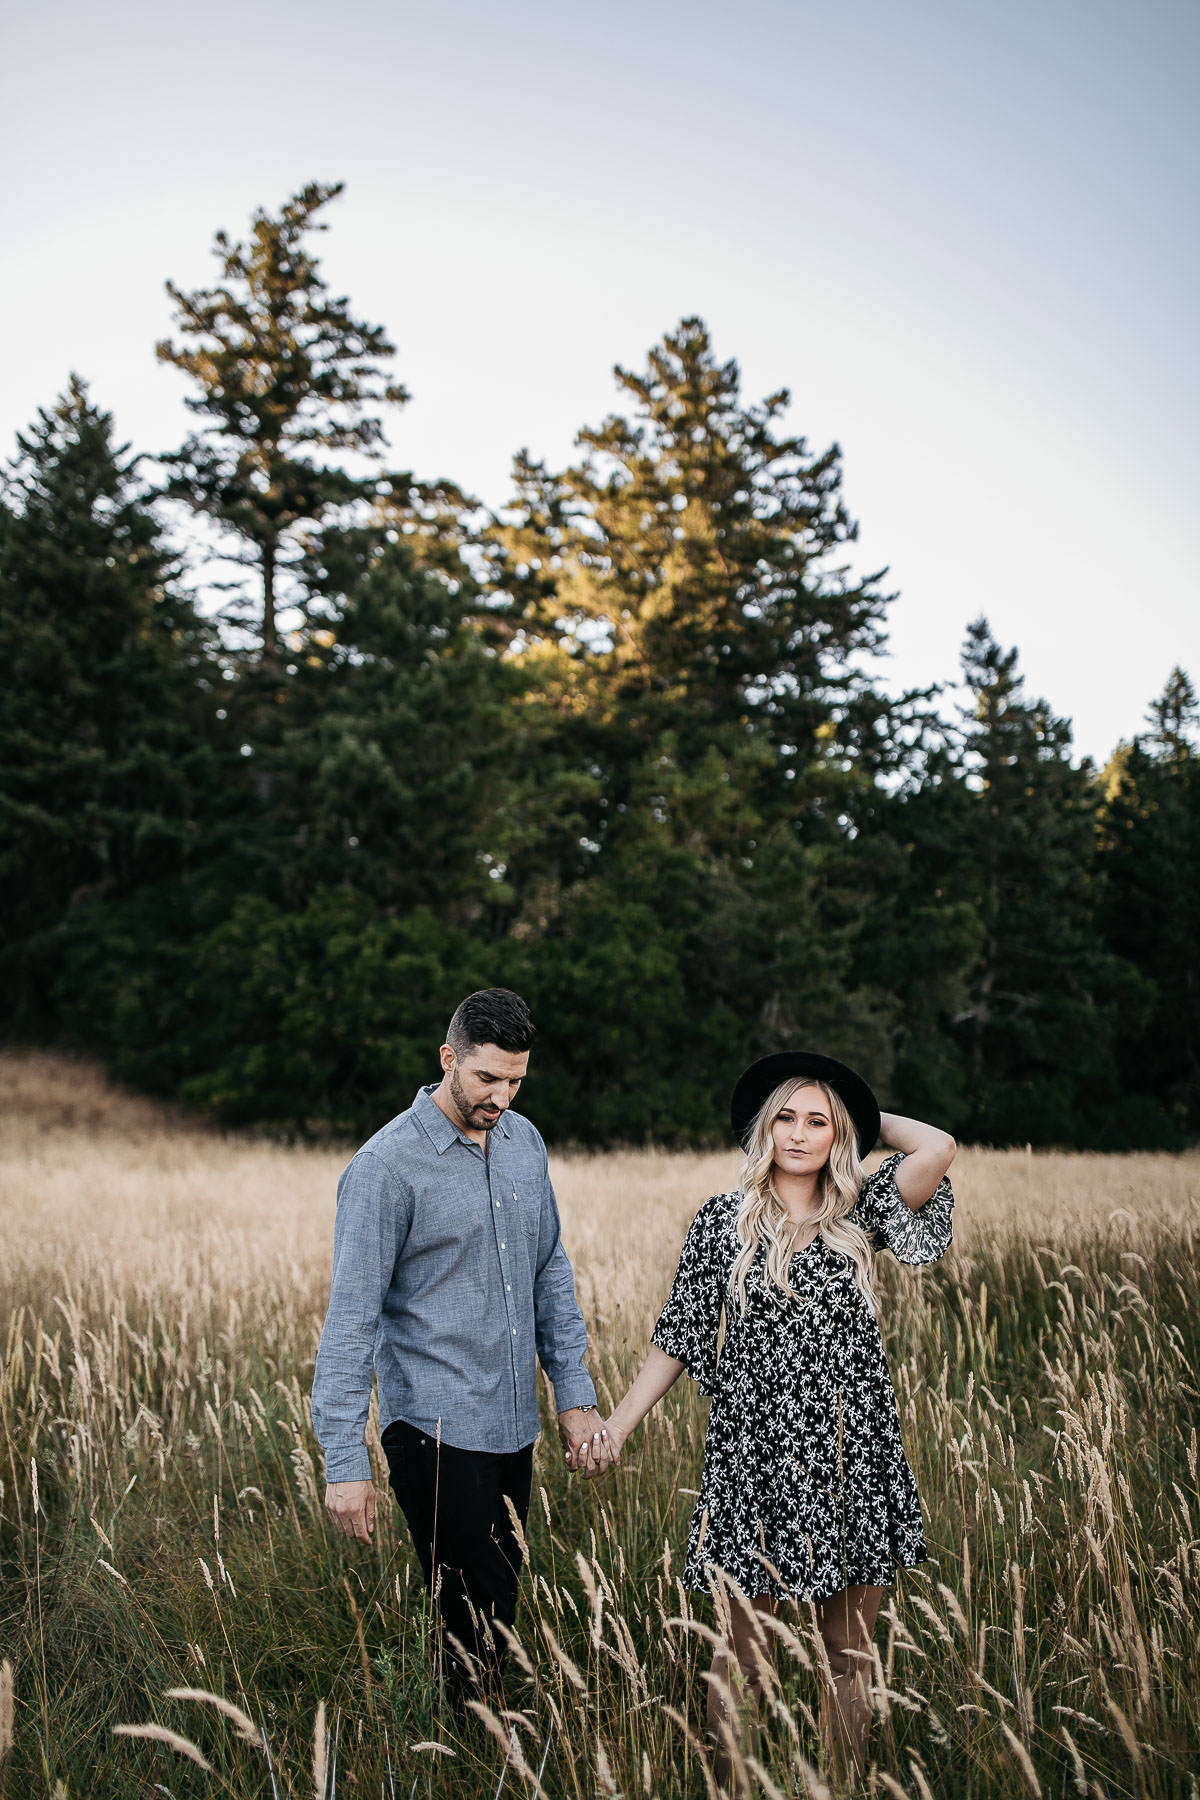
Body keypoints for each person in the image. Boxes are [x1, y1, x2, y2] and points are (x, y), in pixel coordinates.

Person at [575, 1051, 957, 1784]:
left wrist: (861, 1117)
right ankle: (730, 1784)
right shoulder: (723, 1221)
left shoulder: (863, 1211)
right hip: (755, 1455)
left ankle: (842, 1786)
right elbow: (680, 1334)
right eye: (786, 1117)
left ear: (839, 1133)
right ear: (764, 1128)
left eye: (818, 1121)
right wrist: (617, 1426)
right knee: (741, 1654)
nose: (800, 1133)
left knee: (848, 1656)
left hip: (853, 1451)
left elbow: (937, 1147)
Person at [311, 988, 607, 1702]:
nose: (501, 1096)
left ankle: (484, 1740)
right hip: (432, 1428)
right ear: (449, 1059)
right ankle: (484, 1751)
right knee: (475, 1618)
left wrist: (574, 1396)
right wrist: (344, 1463)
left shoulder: (523, 1142)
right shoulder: (386, 1167)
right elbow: (350, 1320)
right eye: (486, 1078)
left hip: (512, 1426)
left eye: (515, 1081)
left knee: (495, 1612)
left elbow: (550, 1272)